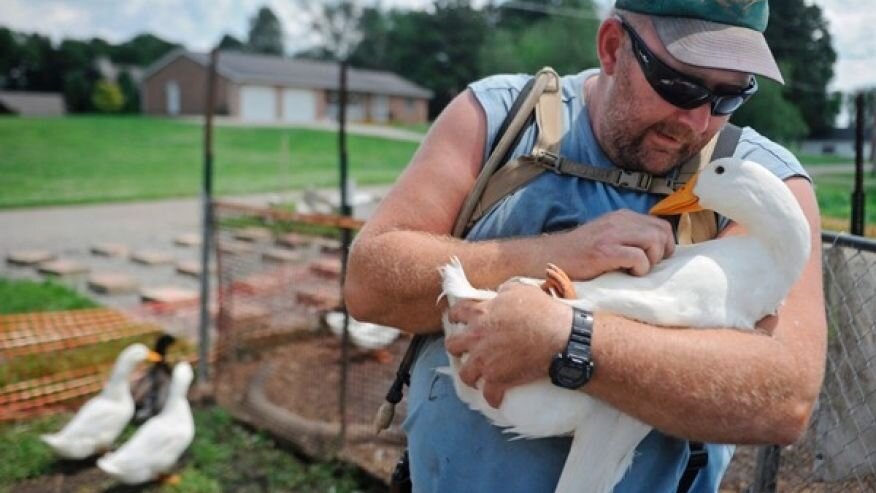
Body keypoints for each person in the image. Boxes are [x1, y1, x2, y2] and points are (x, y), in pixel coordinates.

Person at [345, 0, 827, 491]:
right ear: (613, 47)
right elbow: (368, 283)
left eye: (728, 96)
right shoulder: (497, 119)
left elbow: (784, 397)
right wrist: (557, 253)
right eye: (680, 85)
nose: (699, 122)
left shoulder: (761, 181)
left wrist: (569, 339)